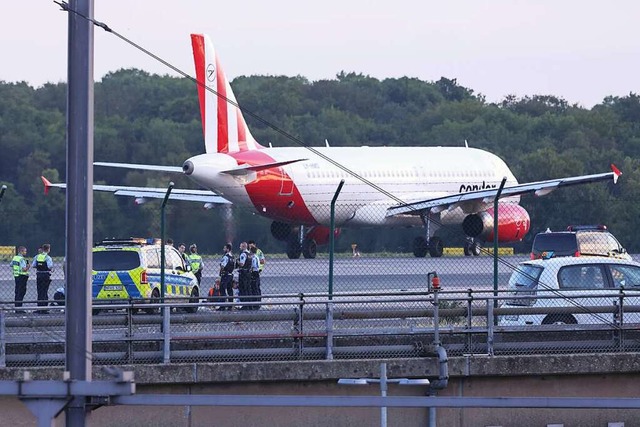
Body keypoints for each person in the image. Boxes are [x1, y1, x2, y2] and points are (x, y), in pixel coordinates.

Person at [31, 243, 54, 314]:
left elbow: (33, 265)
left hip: (39, 275)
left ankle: (39, 308)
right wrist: (52, 269)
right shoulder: (48, 257)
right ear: (48, 249)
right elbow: (50, 266)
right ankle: (44, 308)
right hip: (46, 275)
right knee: (45, 291)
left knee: (39, 291)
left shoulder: (37, 256)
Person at [10, 246, 29, 312]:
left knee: (17, 292)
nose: (25, 252)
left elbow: (11, 265)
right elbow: (24, 269)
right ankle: (19, 308)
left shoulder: (15, 258)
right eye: (25, 251)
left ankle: (16, 308)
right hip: (22, 276)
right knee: (21, 292)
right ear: (21, 251)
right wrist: (28, 266)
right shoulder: (21, 259)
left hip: (16, 276)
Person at [218, 243, 235, 310]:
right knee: (230, 290)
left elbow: (222, 266)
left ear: (227, 249)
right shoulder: (233, 257)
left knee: (222, 289)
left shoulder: (226, 257)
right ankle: (230, 306)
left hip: (225, 275)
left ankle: (223, 306)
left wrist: (221, 272)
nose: (223, 249)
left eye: (224, 248)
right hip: (231, 275)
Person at [237, 242, 251, 309]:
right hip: (248, 273)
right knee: (248, 288)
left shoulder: (243, 254)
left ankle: (245, 305)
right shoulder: (250, 254)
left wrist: (238, 262)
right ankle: (249, 304)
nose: (240, 247)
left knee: (243, 288)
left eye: (241, 246)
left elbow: (242, 264)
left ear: (243, 247)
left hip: (243, 273)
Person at [249, 245, 262, 310]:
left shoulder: (253, 258)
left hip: (254, 272)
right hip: (257, 272)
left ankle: (255, 303)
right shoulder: (257, 257)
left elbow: (253, 266)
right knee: (257, 288)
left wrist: (250, 269)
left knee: (254, 288)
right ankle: (258, 303)